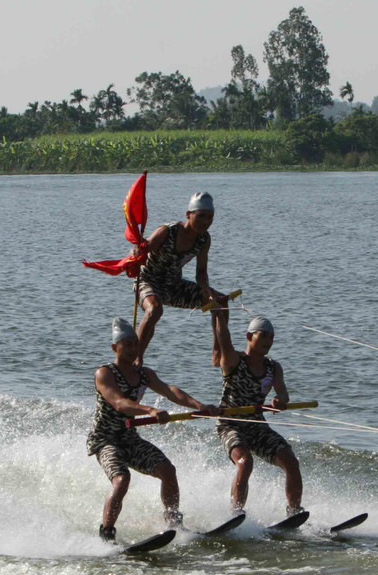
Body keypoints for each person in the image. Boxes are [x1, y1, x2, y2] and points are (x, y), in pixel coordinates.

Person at [87, 317, 219, 543]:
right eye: (126, 344)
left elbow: (170, 391)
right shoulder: (104, 373)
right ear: (114, 348)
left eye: (135, 344)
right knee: (121, 479)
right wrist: (149, 410)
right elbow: (119, 403)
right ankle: (107, 534)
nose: (131, 349)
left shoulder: (144, 374)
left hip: (130, 439)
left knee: (167, 471)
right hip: (105, 441)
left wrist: (199, 406)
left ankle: (174, 524)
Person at [210, 306, 303, 518]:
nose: (268, 341)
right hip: (230, 424)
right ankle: (236, 514)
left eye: (272, 337)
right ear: (249, 336)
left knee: (291, 462)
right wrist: (218, 315)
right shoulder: (234, 361)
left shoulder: (274, 367)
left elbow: (284, 394)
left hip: (257, 425)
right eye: (264, 335)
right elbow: (224, 339)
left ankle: (294, 512)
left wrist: (280, 400)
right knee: (245, 461)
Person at [132, 191, 222, 358]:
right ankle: (136, 358)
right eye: (201, 216)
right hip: (147, 282)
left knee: (220, 303)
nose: (206, 222)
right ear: (189, 214)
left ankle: (219, 353)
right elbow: (144, 247)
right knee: (155, 310)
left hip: (173, 286)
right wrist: (137, 250)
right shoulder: (168, 231)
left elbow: (201, 272)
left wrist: (205, 289)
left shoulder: (204, 239)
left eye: (210, 217)